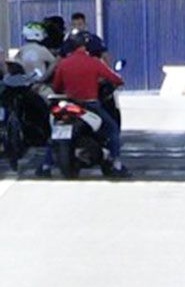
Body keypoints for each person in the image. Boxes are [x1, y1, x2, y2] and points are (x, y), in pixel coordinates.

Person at [38, 33, 130, 179]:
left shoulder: (64, 63)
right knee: (112, 130)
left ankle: (45, 166)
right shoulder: (93, 62)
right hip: (90, 104)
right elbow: (115, 79)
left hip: (67, 103)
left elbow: (56, 86)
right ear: (84, 46)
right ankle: (116, 164)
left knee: (54, 133)